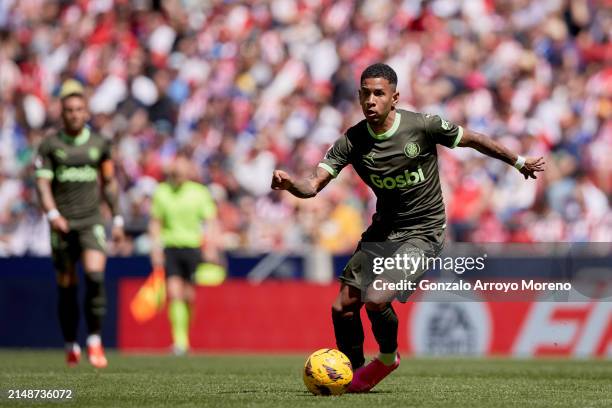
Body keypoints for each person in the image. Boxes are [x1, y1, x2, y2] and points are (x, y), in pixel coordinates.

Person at [271, 63, 545, 392]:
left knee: (376, 297)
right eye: (365, 94)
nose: (371, 100)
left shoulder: (422, 126)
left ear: (395, 97)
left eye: (378, 93)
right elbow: (313, 185)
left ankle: (387, 358)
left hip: (423, 230)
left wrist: (518, 161)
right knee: (342, 306)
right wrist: (291, 186)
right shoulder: (352, 141)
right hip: (384, 230)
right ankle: (352, 375)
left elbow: (473, 139)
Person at [35, 80, 125, 368]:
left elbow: (109, 183)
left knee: (96, 277)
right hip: (62, 223)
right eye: (69, 110)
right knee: (67, 286)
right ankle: (71, 343)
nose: (74, 114)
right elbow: (42, 185)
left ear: (86, 113)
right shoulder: (51, 145)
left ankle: (95, 342)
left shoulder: (100, 144)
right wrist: (52, 214)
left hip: (91, 221)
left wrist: (118, 217)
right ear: (62, 114)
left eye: (79, 109)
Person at [149, 154, 217, 355]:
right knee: (174, 291)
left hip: (192, 247)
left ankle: (185, 337)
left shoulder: (199, 192)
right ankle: (180, 342)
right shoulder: (161, 192)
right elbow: (156, 223)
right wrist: (156, 248)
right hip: (171, 247)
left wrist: (211, 245)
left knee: (188, 295)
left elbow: (210, 220)